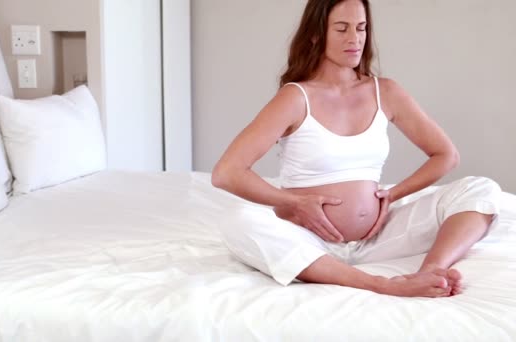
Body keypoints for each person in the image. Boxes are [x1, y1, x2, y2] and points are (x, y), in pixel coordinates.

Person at [211, 0, 501, 297]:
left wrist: (392, 195)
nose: (355, 38)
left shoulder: (385, 91)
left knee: (481, 189)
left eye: (361, 28)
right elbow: (227, 173)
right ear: (315, 35)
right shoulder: (295, 98)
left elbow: (446, 155)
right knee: (238, 220)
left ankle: (430, 272)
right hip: (311, 241)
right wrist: (293, 202)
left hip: (379, 238)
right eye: (341, 29)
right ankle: (381, 284)